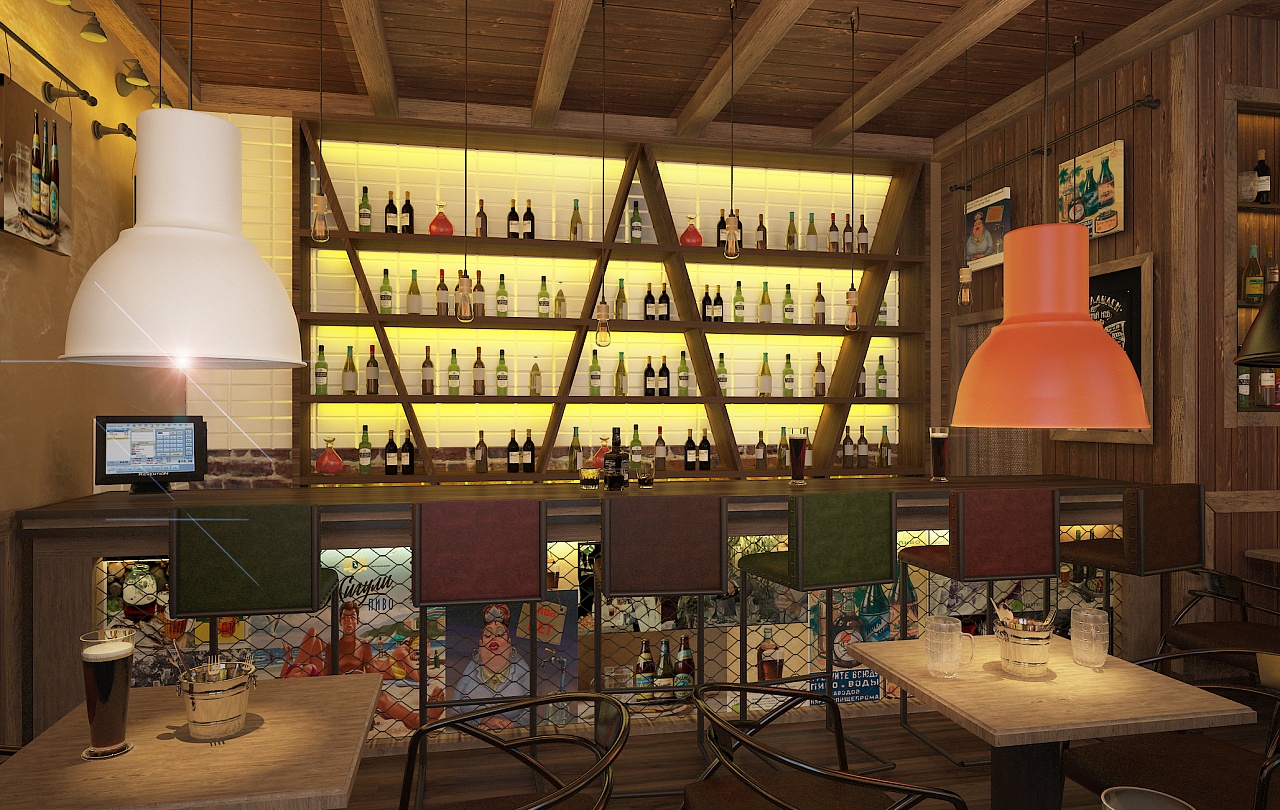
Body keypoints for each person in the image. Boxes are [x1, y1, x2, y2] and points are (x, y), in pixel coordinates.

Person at [452, 604, 530, 730]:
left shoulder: (521, 666)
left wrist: (512, 724)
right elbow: (455, 711)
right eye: (488, 635)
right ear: (480, 645)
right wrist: (481, 722)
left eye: (500, 634)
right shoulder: (472, 667)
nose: (493, 638)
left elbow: (532, 709)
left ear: (509, 644)